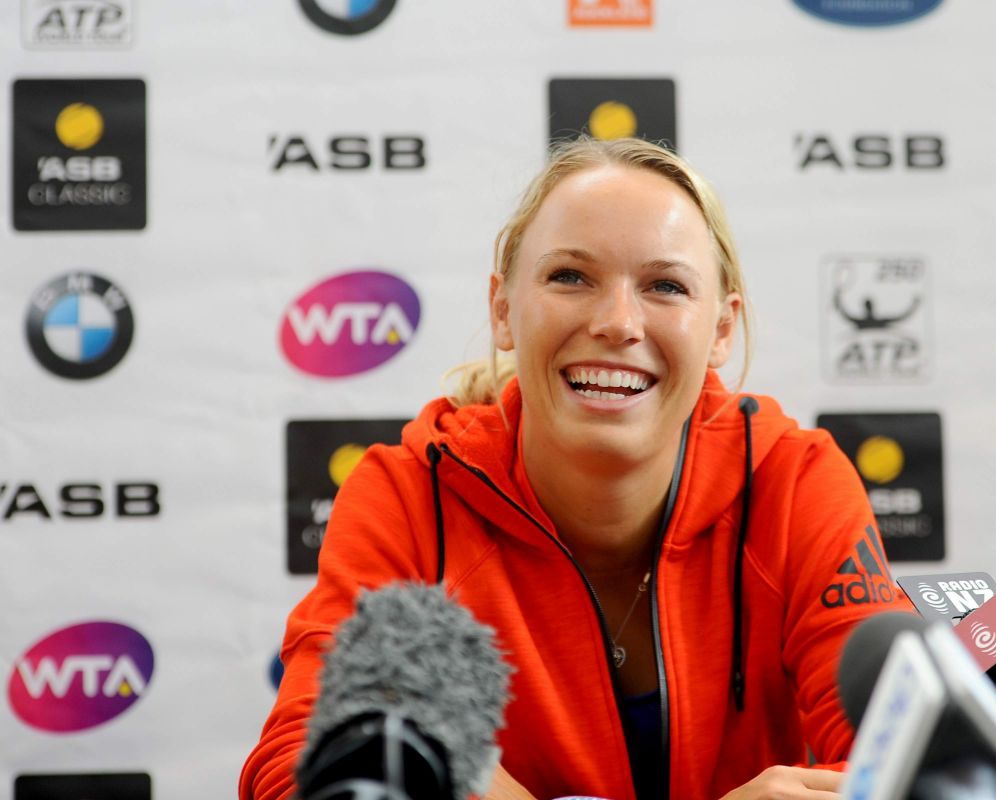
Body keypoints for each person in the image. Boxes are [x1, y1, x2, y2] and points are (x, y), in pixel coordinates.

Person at [240, 137, 913, 800]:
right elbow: (298, 770)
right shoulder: (410, 492)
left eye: (665, 286)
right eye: (570, 276)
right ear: (503, 309)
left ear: (721, 330)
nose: (618, 322)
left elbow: (906, 761)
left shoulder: (793, 482)